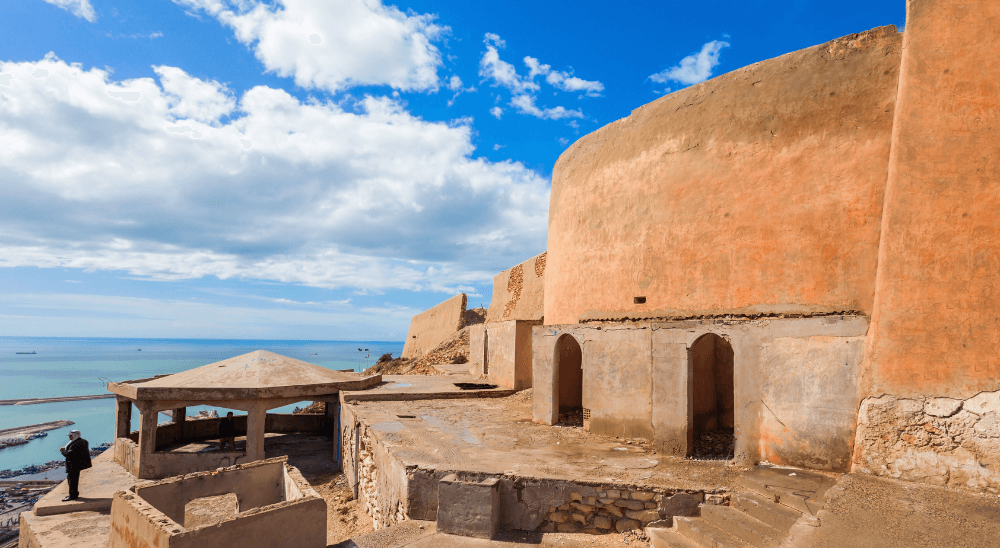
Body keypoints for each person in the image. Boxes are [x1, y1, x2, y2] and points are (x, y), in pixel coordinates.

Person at [60, 430, 92, 501]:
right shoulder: (83, 441)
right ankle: (74, 493)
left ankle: (72, 495)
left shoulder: (75, 444)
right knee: (73, 480)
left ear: (75, 436)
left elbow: (69, 455)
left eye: (71, 436)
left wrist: (62, 451)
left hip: (73, 465)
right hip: (78, 464)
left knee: (72, 480)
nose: (69, 437)